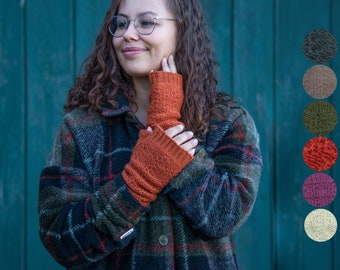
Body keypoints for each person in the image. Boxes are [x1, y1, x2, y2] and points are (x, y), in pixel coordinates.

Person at [38, 0, 262, 269]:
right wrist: (137, 181)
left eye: (146, 22)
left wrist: (166, 124)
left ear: (182, 30)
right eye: (121, 24)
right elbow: (60, 239)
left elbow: (224, 216)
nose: (128, 34)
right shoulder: (81, 128)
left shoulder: (228, 122)